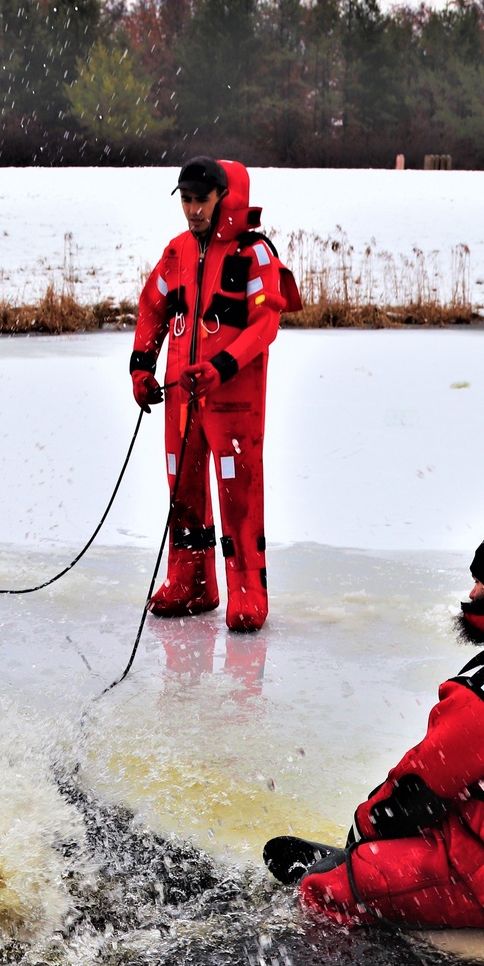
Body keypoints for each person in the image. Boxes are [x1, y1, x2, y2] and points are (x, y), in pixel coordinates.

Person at [264, 519, 484, 933]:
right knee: (478, 791)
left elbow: (419, 785)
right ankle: (385, 860)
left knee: (323, 888)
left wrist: (362, 833)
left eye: (481, 583)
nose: (471, 594)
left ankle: (354, 890)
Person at [130, 157, 300, 632]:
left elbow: (267, 322)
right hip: (182, 396)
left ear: (224, 198)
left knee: (237, 491)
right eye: (185, 200)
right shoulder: (177, 252)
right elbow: (153, 306)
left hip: (233, 399)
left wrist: (222, 366)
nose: (192, 210)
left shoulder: (255, 254)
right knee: (182, 488)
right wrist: (142, 366)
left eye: (200, 200)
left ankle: (247, 588)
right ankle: (192, 582)